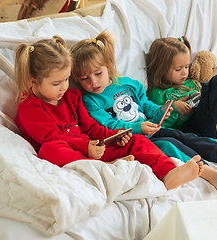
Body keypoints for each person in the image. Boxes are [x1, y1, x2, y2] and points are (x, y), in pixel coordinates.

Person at [69, 31, 217, 192]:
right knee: (171, 146)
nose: (93, 82)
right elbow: (110, 126)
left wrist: (161, 111)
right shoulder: (89, 100)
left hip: (154, 128)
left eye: (97, 74)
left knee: (189, 138)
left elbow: (146, 105)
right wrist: (138, 128)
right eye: (85, 78)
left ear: (108, 67)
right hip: (138, 138)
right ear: (77, 80)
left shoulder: (128, 84)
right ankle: (213, 176)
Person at [13, 35, 204, 190]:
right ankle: (108, 166)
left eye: (66, 80)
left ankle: (169, 173)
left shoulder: (73, 97)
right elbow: (52, 138)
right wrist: (86, 146)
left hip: (94, 150)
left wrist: (116, 136)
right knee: (49, 150)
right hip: (72, 155)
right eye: (56, 83)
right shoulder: (29, 109)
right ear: (33, 82)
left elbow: (92, 127)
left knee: (138, 140)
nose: (64, 87)